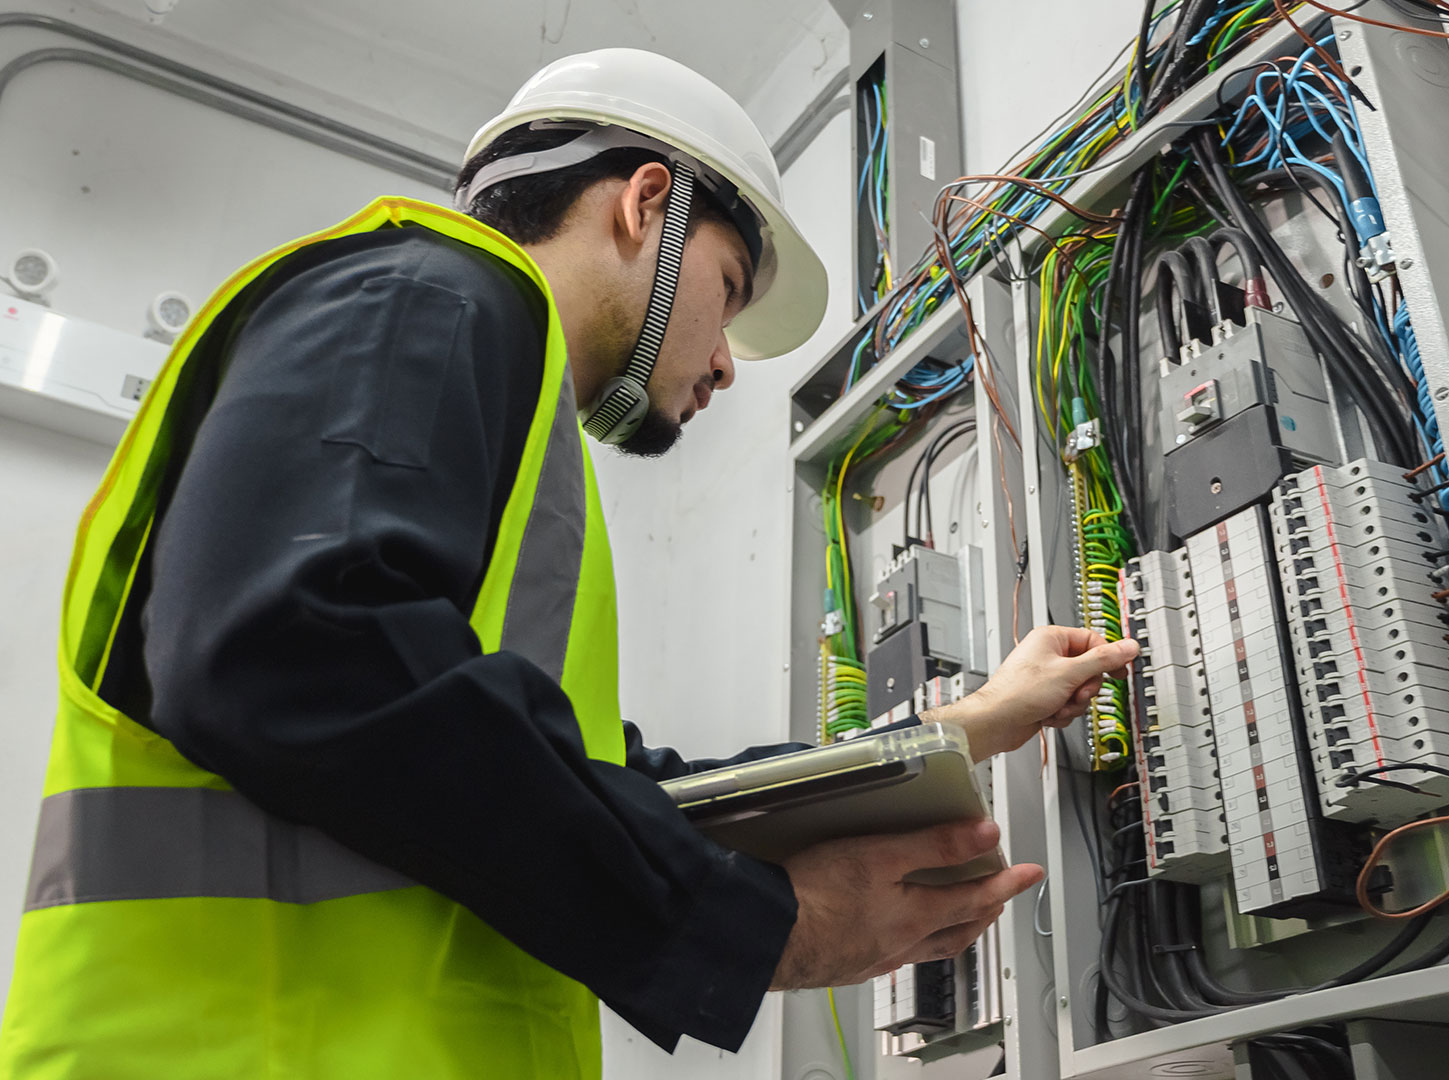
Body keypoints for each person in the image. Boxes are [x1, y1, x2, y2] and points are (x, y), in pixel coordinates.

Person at [0, 48, 1137, 1079]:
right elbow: (298, 644)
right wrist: (754, 931)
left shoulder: (490, 388)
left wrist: (970, 728)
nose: (727, 365)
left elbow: (600, 783)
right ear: (647, 206)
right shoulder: (423, 296)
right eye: (730, 290)